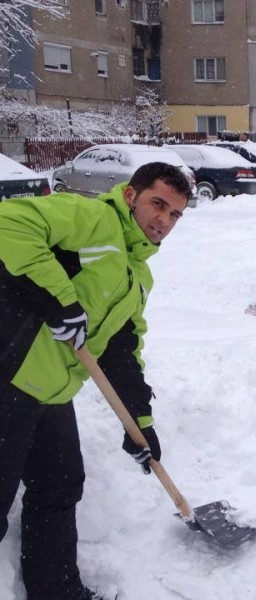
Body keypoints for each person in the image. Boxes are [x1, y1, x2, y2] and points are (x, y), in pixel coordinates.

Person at [0, 162, 192, 600]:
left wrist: (139, 421)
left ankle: (56, 591)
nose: (164, 221)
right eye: (157, 204)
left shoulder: (136, 275)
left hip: (51, 392)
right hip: (8, 376)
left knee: (60, 484)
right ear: (130, 196)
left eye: (175, 214)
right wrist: (59, 299)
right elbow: (7, 222)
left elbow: (122, 350)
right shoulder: (92, 219)